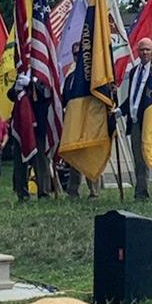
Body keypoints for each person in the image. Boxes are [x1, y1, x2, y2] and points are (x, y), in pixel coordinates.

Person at [116, 37, 152, 200]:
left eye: (148, 49)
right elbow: (133, 96)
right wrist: (121, 109)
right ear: (137, 52)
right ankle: (141, 192)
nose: (145, 53)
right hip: (135, 120)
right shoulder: (134, 71)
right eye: (142, 50)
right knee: (138, 158)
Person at [62, 42, 100, 199]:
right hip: (73, 123)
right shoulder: (70, 78)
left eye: (80, 53)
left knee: (90, 156)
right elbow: (64, 99)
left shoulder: (91, 76)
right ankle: (73, 190)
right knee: (75, 157)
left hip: (89, 123)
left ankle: (94, 191)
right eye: (75, 54)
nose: (77, 57)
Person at [8, 74, 51, 201]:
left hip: (38, 123)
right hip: (21, 124)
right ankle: (22, 192)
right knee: (20, 160)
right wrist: (16, 89)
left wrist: (32, 83)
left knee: (40, 161)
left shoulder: (43, 72)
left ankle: (44, 192)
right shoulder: (21, 73)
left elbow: (47, 93)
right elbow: (10, 96)